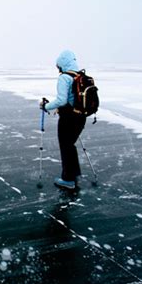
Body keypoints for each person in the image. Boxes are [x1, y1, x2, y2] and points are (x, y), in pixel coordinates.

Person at [40, 50, 86, 190]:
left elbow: (61, 100)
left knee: (66, 147)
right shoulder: (80, 75)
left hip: (69, 118)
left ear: (62, 64)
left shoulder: (64, 78)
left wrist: (46, 106)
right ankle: (73, 174)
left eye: (58, 66)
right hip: (80, 117)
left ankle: (68, 180)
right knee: (70, 146)